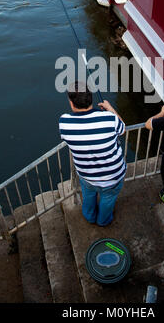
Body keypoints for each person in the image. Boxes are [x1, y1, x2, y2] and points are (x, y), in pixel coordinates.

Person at [59, 81, 126, 226]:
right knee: (108, 200)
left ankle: (89, 217)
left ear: (71, 103)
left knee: (88, 196)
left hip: (87, 175)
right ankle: (103, 221)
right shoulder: (110, 118)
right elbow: (123, 129)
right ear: (91, 99)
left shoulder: (64, 123)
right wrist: (110, 109)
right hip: (113, 175)